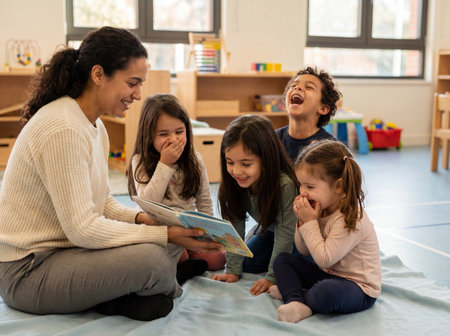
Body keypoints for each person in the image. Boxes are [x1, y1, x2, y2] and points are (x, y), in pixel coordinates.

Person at [0, 26, 222, 322]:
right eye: (132, 83)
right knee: (153, 259)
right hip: (27, 272)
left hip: (63, 254)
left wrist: (144, 219)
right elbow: (83, 228)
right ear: (98, 75)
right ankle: (122, 296)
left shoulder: (94, 126)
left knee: (153, 245)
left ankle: (118, 297)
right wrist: (163, 233)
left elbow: (102, 202)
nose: (138, 94)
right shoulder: (64, 127)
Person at [269, 140, 381, 323]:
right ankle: (296, 301)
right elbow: (304, 250)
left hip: (359, 288)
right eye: (301, 185)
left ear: (339, 187)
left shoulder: (350, 217)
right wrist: (302, 220)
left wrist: (310, 222)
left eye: (310, 187)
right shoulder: (322, 206)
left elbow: (324, 258)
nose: (303, 192)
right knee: (283, 260)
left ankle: (296, 293)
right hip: (329, 274)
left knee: (325, 293)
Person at [128, 93, 226, 276]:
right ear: (149, 136)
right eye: (164, 134)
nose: (173, 139)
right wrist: (165, 165)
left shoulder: (194, 159)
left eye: (179, 132)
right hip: (160, 231)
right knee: (163, 259)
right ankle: (182, 266)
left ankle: (185, 257)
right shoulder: (140, 161)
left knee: (218, 258)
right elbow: (147, 205)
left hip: (188, 230)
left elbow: (204, 200)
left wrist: (208, 234)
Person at [210, 115, 299, 296]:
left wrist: (272, 277)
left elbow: (286, 234)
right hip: (271, 231)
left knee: (302, 267)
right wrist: (233, 270)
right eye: (230, 162)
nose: (236, 171)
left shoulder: (285, 185)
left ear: (266, 158)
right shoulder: (235, 182)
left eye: (246, 164)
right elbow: (234, 224)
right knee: (247, 264)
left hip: (301, 237)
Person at [276, 66, 341, 162]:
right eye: (293, 86)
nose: (297, 87)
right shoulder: (272, 140)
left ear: (323, 108)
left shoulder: (330, 149)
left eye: (309, 87)